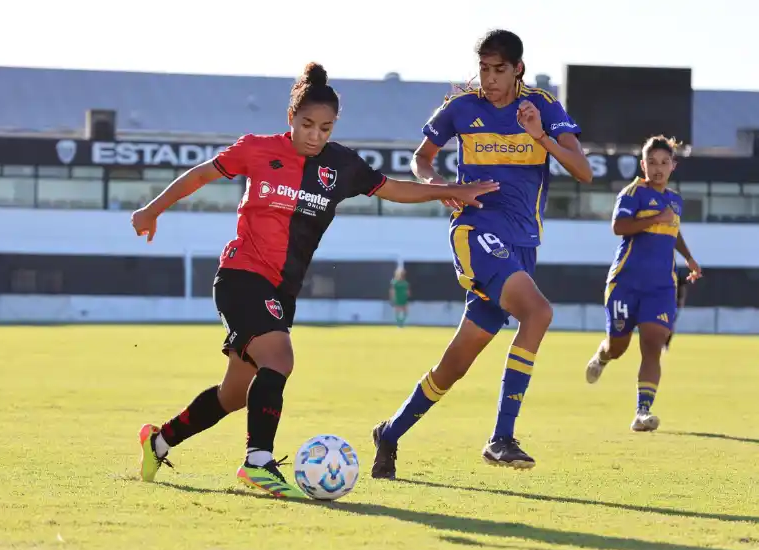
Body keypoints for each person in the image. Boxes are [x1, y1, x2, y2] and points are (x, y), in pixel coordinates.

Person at [131, 62, 499, 499]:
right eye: (307, 124)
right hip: (241, 275)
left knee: (235, 394)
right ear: (290, 117)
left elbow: (395, 189)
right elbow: (200, 174)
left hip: (281, 291)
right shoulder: (256, 149)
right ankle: (258, 462)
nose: (315, 135)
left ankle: (158, 441)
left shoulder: (340, 165)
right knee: (279, 359)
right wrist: (153, 208)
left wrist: (448, 190)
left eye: (325, 127)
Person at [371, 29, 593, 479]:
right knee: (539, 313)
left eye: (499, 70)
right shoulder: (461, 108)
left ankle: (389, 434)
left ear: (518, 70)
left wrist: (540, 137)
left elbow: (583, 171)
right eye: (484, 70)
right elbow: (422, 158)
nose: (489, 80)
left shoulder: (542, 108)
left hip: (521, 244)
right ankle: (501, 437)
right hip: (475, 230)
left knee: (455, 363)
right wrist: (439, 186)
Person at [584, 135, 702, 432]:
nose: (657, 168)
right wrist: (653, 218)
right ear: (643, 165)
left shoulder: (675, 200)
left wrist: (689, 258)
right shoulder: (632, 193)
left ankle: (642, 412)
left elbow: (673, 231)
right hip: (626, 283)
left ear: (673, 165)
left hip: (661, 287)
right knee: (619, 347)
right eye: (652, 162)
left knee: (653, 344)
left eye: (664, 162)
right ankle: (603, 354)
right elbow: (619, 227)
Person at [664, 270, 690, 350]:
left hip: (674, 306)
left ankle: (666, 344)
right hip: (666, 304)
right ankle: (663, 343)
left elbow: (682, 292)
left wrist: (680, 302)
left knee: (670, 325)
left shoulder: (679, 282)